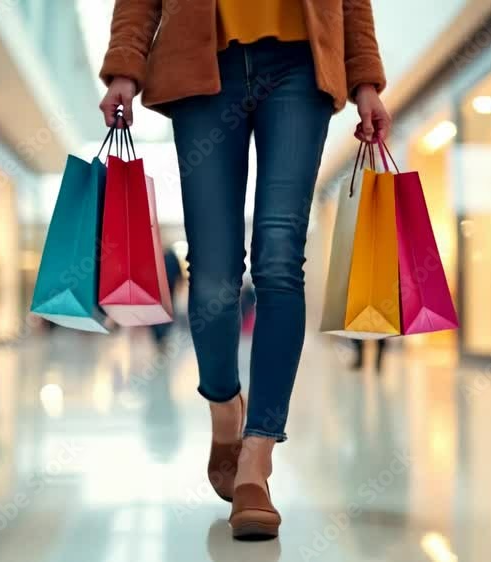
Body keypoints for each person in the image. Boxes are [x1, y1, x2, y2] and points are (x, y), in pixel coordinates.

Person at [98, 0, 390, 540]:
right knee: (212, 271)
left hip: (301, 63)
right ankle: (224, 403)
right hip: (201, 61)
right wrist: (124, 67)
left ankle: (256, 459)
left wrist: (365, 79)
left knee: (280, 259)